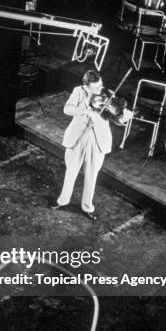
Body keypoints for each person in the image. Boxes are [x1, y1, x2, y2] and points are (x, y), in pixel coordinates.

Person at [51, 70, 131, 221]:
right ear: (86, 85)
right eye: (94, 88)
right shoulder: (78, 91)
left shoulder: (108, 93)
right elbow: (67, 109)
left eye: (100, 85)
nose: (99, 90)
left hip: (98, 140)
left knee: (92, 176)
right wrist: (87, 111)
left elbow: (114, 119)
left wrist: (122, 120)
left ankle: (87, 207)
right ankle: (63, 201)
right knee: (71, 172)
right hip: (78, 137)